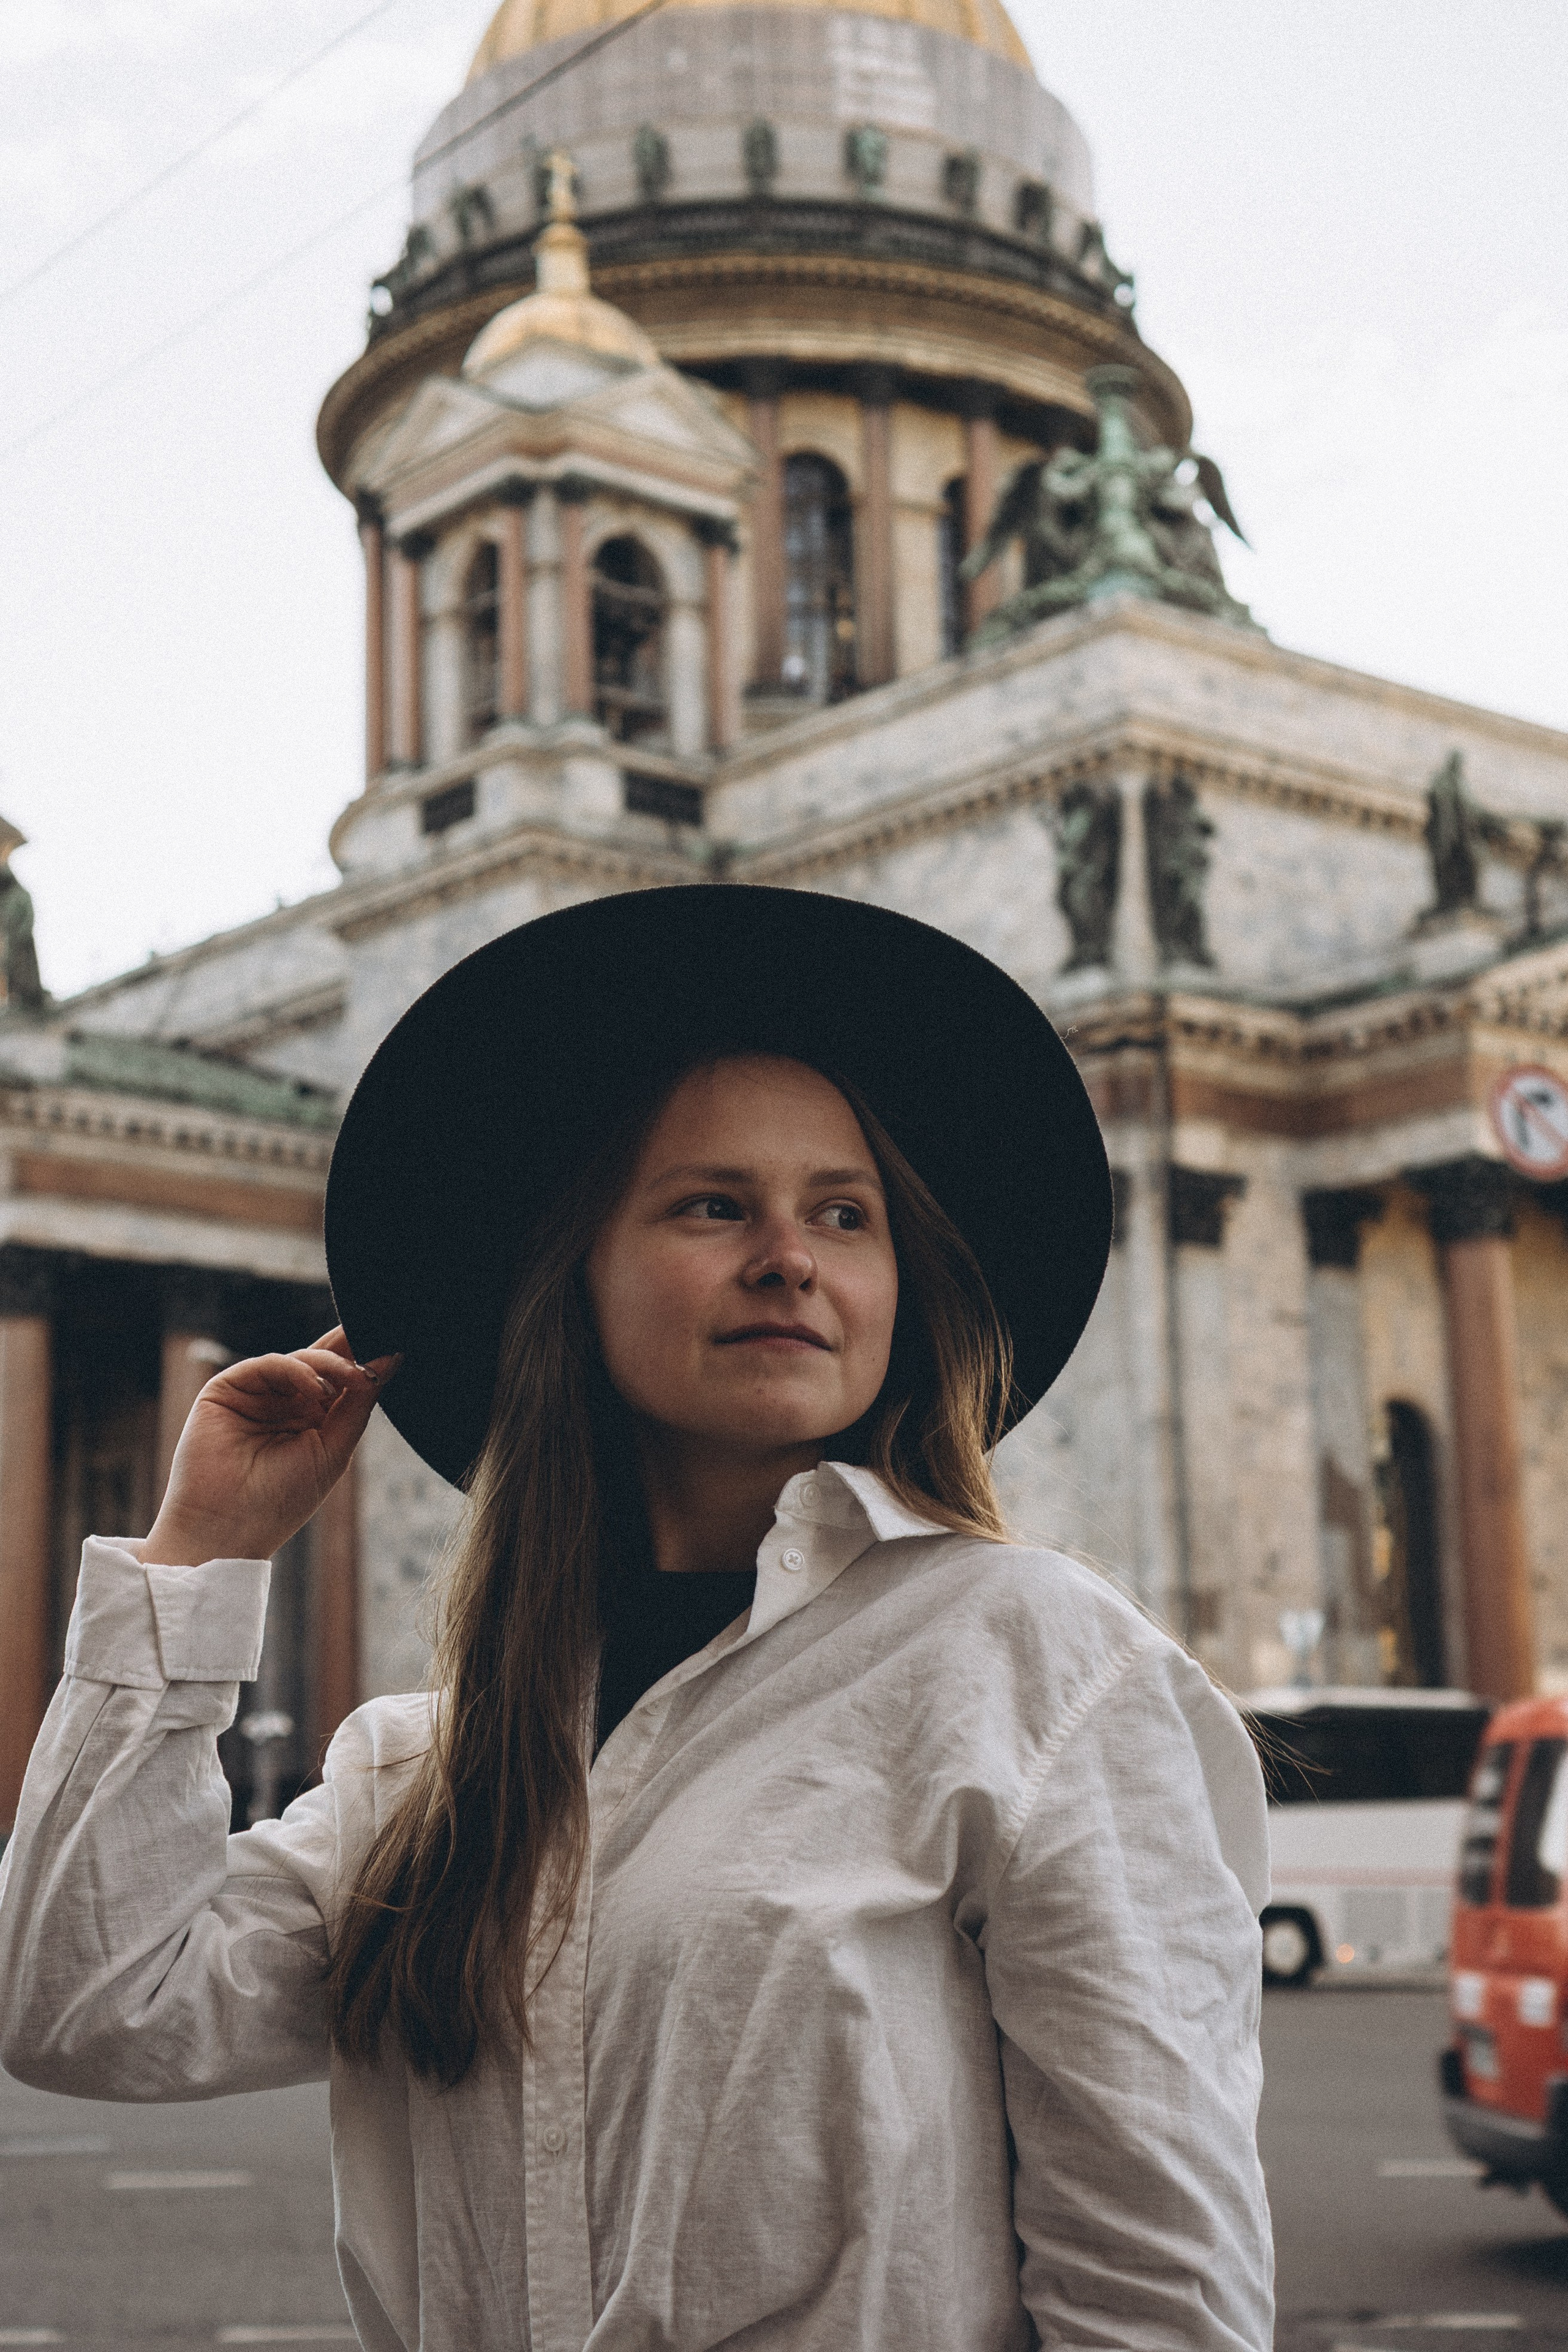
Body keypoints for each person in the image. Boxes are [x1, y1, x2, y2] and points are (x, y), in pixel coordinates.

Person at [0, 886, 1273, 2351]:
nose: (788, 1256)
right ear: (577, 1277)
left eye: (843, 1214)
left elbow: (1161, 2302)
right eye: (713, 1205)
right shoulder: (426, 1777)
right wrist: (198, 1554)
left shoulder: (1029, 1664)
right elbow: (87, 2008)